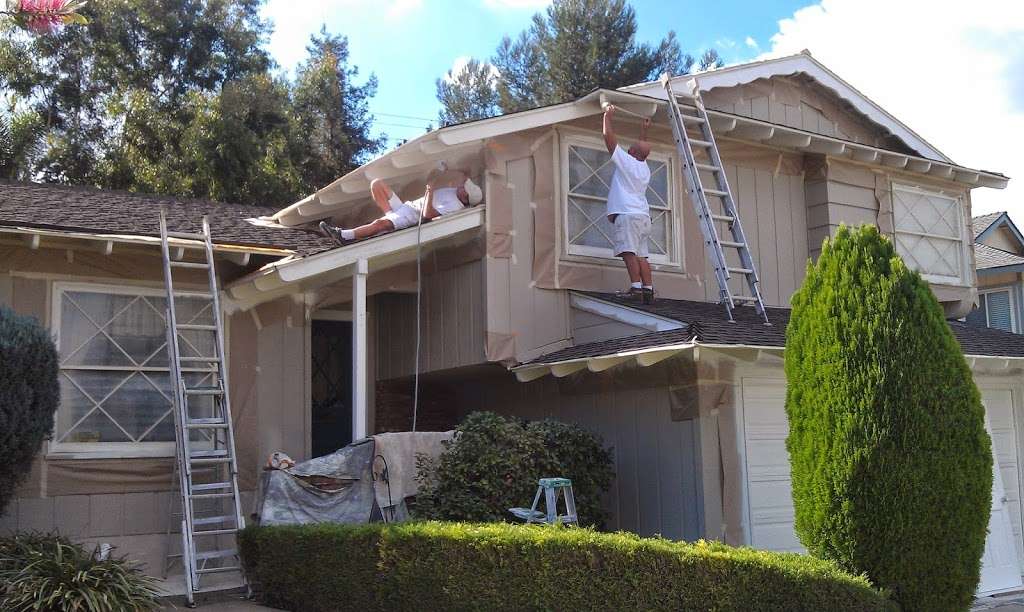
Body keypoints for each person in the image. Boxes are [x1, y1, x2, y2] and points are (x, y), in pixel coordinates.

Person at [319, 169, 483, 244]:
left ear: (466, 197)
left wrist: (430, 190)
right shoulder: (456, 192)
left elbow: (427, 216)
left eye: (465, 189)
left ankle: (343, 235)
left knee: (379, 224)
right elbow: (461, 177)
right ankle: (390, 217)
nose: (462, 187)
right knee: (377, 184)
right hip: (405, 207)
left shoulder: (455, 206)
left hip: (413, 215)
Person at [603, 104, 654, 304]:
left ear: (631, 152)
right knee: (642, 255)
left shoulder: (628, 162)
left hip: (628, 216)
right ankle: (648, 290)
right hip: (642, 217)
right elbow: (643, 146)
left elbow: (609, 139)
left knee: (628, 252)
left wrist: (607, 116)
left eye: (630, 146)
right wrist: (645, 129)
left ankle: (635, 288)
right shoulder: (644, 167)